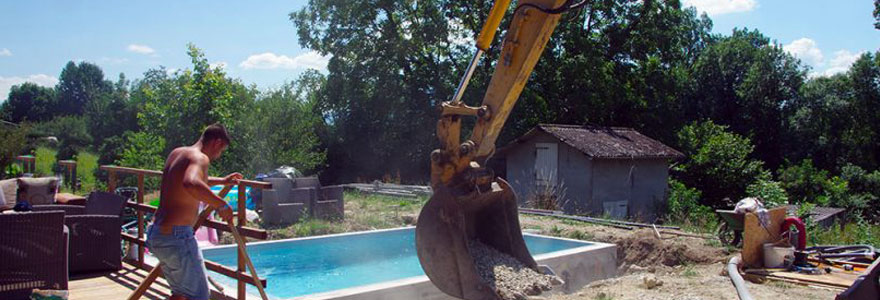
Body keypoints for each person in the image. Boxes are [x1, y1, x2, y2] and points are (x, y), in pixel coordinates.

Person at [146, 123, 242, 300]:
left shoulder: (178, 153)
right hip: (176, 237)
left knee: (181, 295)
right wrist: (222, 205)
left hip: (157, 233)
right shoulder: (200, 158)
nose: (218, 156)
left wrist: (222, 180)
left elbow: (187, 178)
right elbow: (190, 182)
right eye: (221, 151)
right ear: (217, 142)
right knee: (199, 296)